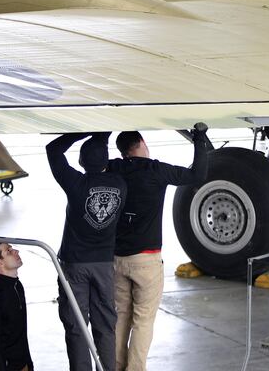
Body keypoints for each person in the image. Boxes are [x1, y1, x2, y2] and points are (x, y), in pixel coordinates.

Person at [108, 123, 209, 371]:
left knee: (120, 316)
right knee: (143, 320)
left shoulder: (114, 167)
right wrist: (200, 139)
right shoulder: (156, 171)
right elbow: (197, 175)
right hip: (147, 259)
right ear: (142, 142)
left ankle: (114, 366)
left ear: (122, 151)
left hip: (117, 257)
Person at [46, 132, 127, 371]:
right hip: (103, 265)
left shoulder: (76, 184)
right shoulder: (120, 184)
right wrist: (102, 134)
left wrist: (81, 132)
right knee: (105, 325)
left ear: (81, 163)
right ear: (106, 161)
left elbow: (53, 150)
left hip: (74, 264)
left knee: (76, 326)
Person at [0, 242, 34, 371]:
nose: (16, 252)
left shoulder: (17, 286)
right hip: (1, 366)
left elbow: (20, 332)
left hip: (20, 363)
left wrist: (28, 363)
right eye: (9, 251)